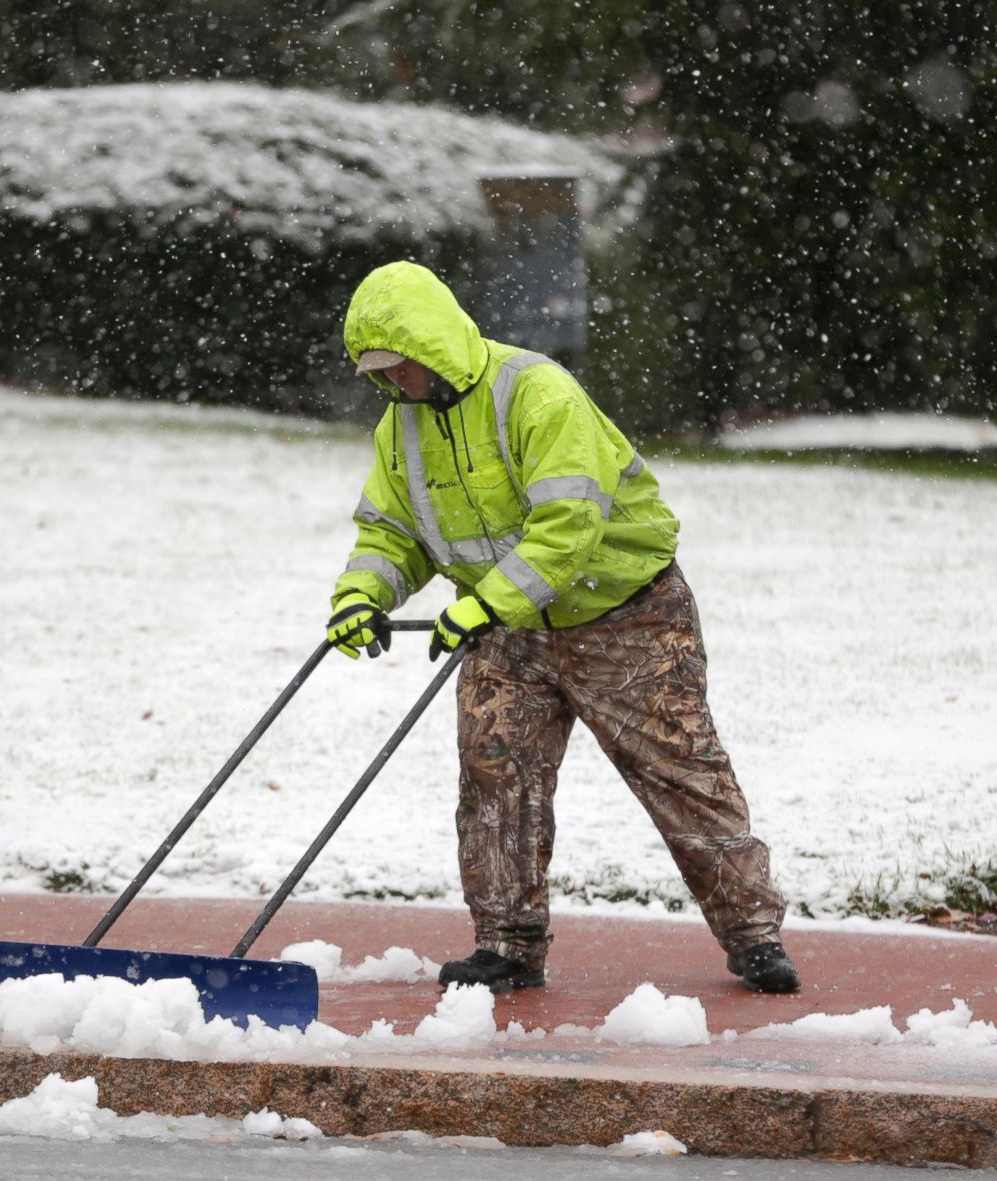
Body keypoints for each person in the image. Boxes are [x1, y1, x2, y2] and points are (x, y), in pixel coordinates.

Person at [324, 260, 798, 994]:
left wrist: (483, 604)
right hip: (508, 630)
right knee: (493, 771)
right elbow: (391, 531)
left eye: (397, 368)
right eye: (376, 374)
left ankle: (753, 934)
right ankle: (507, 944)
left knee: (681, 772)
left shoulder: (536, 392)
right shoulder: (401, 428)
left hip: (626, 616)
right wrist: (361, 595)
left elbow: (568, 524)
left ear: (433, 345)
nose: (390, 386)